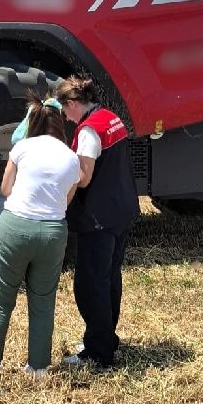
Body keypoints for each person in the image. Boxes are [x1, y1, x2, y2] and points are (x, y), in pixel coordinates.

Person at [0, 95, 81, 381]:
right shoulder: (72, 158)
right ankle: (38, 368)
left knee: (1, 299)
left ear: (33, 122)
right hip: (52, 234)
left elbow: (5, 189)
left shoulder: (22, 147)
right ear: (60, 124)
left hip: (13, 228)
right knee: (43, 301)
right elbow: (66, 201)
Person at [55, 75, 137, 369]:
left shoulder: (89, 131)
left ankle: (98, 352)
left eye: (65, 110)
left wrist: (61, 175)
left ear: (73, 103)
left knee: (91, 285)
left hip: (98, 218)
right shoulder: (110, 118)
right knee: (110, 277)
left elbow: (84, 177)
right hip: (121, 210)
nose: (66, 117)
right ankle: (105, 337)